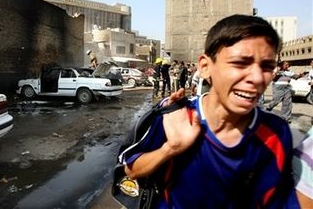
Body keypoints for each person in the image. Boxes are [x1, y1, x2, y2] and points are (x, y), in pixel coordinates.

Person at [119, 14, 300, 208]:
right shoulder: (175, 116)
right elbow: (131, 171)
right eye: (240, 63)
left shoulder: (276, 133)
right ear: (205, 67)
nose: (256, 78)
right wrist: (170, 149)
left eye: (267, 66)